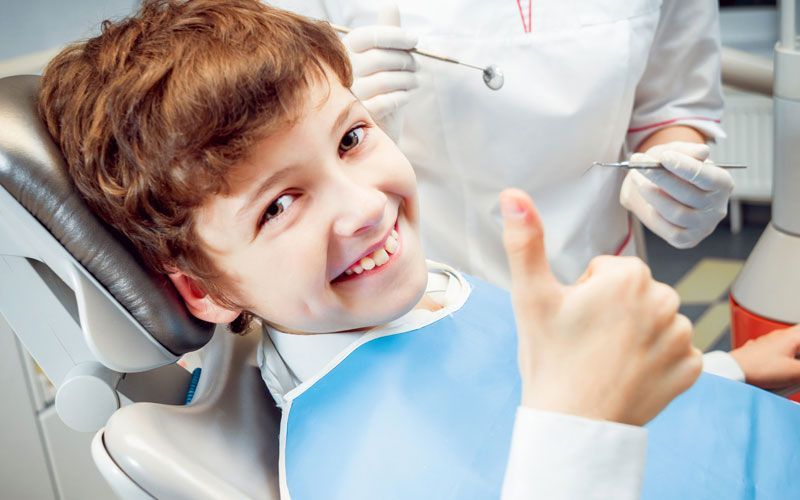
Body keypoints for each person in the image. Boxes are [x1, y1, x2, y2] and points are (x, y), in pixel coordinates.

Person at [38, 1, 704, 497]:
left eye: (351, 139)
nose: (363, 208)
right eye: (278, 206)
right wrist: (578, 423)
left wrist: (730, 381)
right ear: (202, 290)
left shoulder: (439, 299)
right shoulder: (353, 461)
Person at [271, 0, 800, 390]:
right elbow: (253, 148)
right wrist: (323, 102)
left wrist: (679, 173)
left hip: (597, 295)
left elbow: (675, 100)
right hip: (405, 306)